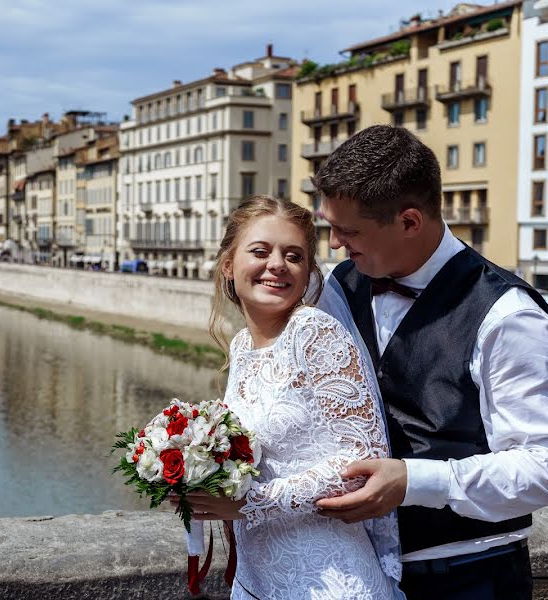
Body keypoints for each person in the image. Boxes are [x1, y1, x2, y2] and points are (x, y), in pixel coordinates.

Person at [311, 125, 548, 600]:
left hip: (471, 574)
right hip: (356, 570)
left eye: (348, 230)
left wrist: (416, 480)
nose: (334, 243)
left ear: (410, 222)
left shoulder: (507, 315)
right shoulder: (337, 287)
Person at [172, 195, 404, 599]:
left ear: (308, 273)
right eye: (260, 251)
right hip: (258, 577)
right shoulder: (243, 346)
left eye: (294, 256)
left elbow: (363, 461)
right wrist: (198, 480)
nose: (277, 264)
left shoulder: (314, 332)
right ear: (229, 264)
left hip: (327, 578)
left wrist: (251, 503)